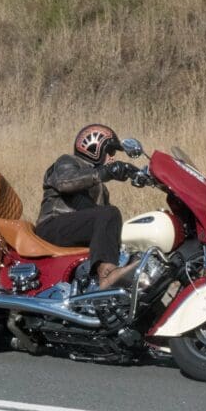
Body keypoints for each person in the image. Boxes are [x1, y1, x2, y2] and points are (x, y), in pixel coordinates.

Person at [35, 124, 139, 290]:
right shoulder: (67, 162)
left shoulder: (100, 189)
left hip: (73, 231)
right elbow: (65, 182)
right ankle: (107, 274)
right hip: (52, 227)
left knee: (121, 224)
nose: (112, 158)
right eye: (110, 152)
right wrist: (105, 172)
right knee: (109, 214)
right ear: (94, 148)